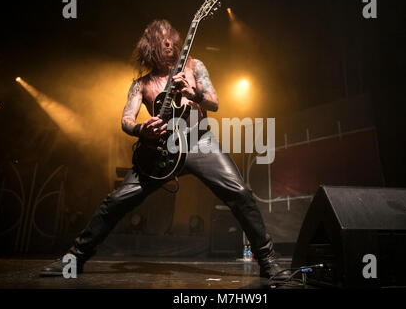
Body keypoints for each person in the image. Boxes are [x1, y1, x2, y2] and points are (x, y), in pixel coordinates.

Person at [40, 19, 289, 281]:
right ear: (150, 47)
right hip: (161, 152)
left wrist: (192, 93)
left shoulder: (194, 65)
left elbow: (214, 103)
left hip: (199, 142)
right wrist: (141, 130)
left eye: (170, 37)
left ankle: (268, 260)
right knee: (115, 201)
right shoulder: (141, 84)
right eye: (162, 39)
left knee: (240, 192)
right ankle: (74, 259)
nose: (169, 42)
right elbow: (126, 120)